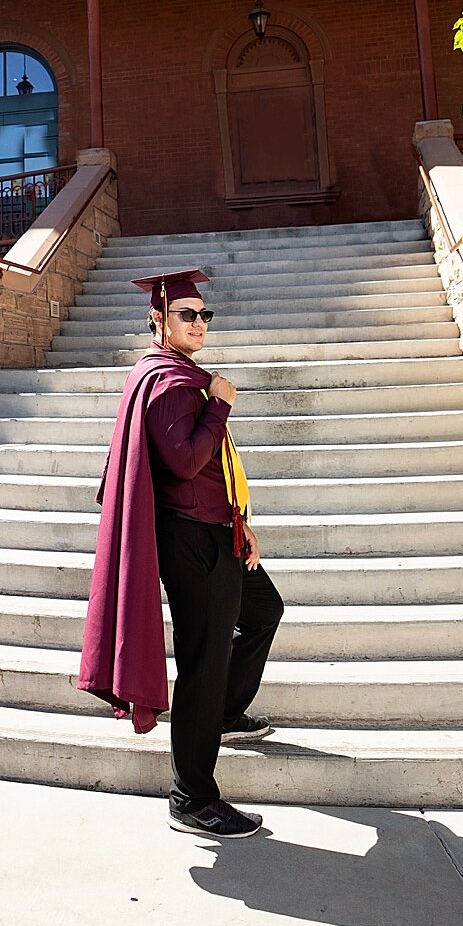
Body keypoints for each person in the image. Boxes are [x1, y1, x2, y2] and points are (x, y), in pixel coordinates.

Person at [78, 267, 285, 839]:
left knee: (265, 612)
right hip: (193, 540)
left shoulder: (176, 373)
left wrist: (241, 522)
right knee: (202, 660)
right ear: (157, 319)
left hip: (218, 530)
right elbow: (187, 462)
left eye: (203, 315)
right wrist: (220, 404)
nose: (199, 324)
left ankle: (222, 713)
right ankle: (192, 796)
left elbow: (213, 471)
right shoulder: (172, 384)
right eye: (186, 315)